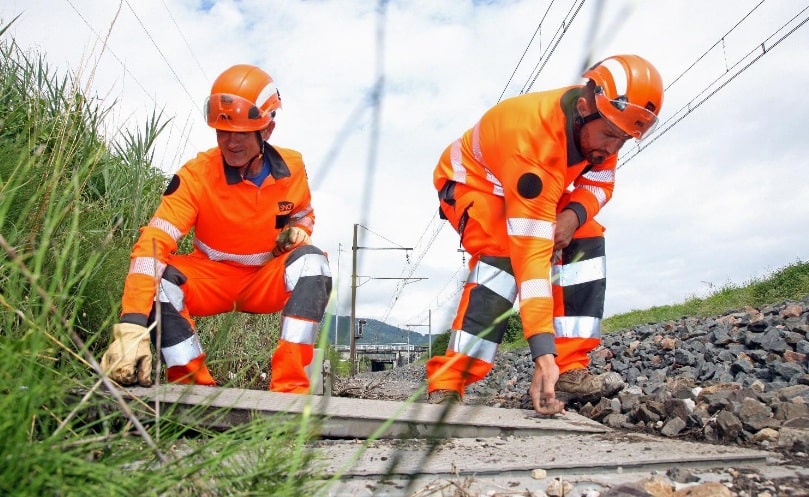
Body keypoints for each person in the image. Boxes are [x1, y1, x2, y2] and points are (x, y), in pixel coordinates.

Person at [426, 54, 664, 415]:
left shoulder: (609, 122)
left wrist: (573, 215)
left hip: (530, 183)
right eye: (610, 137)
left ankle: (569, 368)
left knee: (585, 233)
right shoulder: (534, 143)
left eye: (623, 141)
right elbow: (532, 257)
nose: (611, 150)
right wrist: (542, 354)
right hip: (475, 183)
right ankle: (449, 380)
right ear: (583, 109)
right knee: (502, 256)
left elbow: (600, 183)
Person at [100, 64, 332, 393]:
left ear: (267, 130)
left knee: (314, 263)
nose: (230, 142)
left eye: (241, 133)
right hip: (212, 279)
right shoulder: (196, 175)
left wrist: (298, 230)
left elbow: (303, 213)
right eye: (222, 131)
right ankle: (191, 391)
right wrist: (132, 323)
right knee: (161, 280)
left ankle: (289, 391)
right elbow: (154, 242)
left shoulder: (292, 168)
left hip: (265, 280)